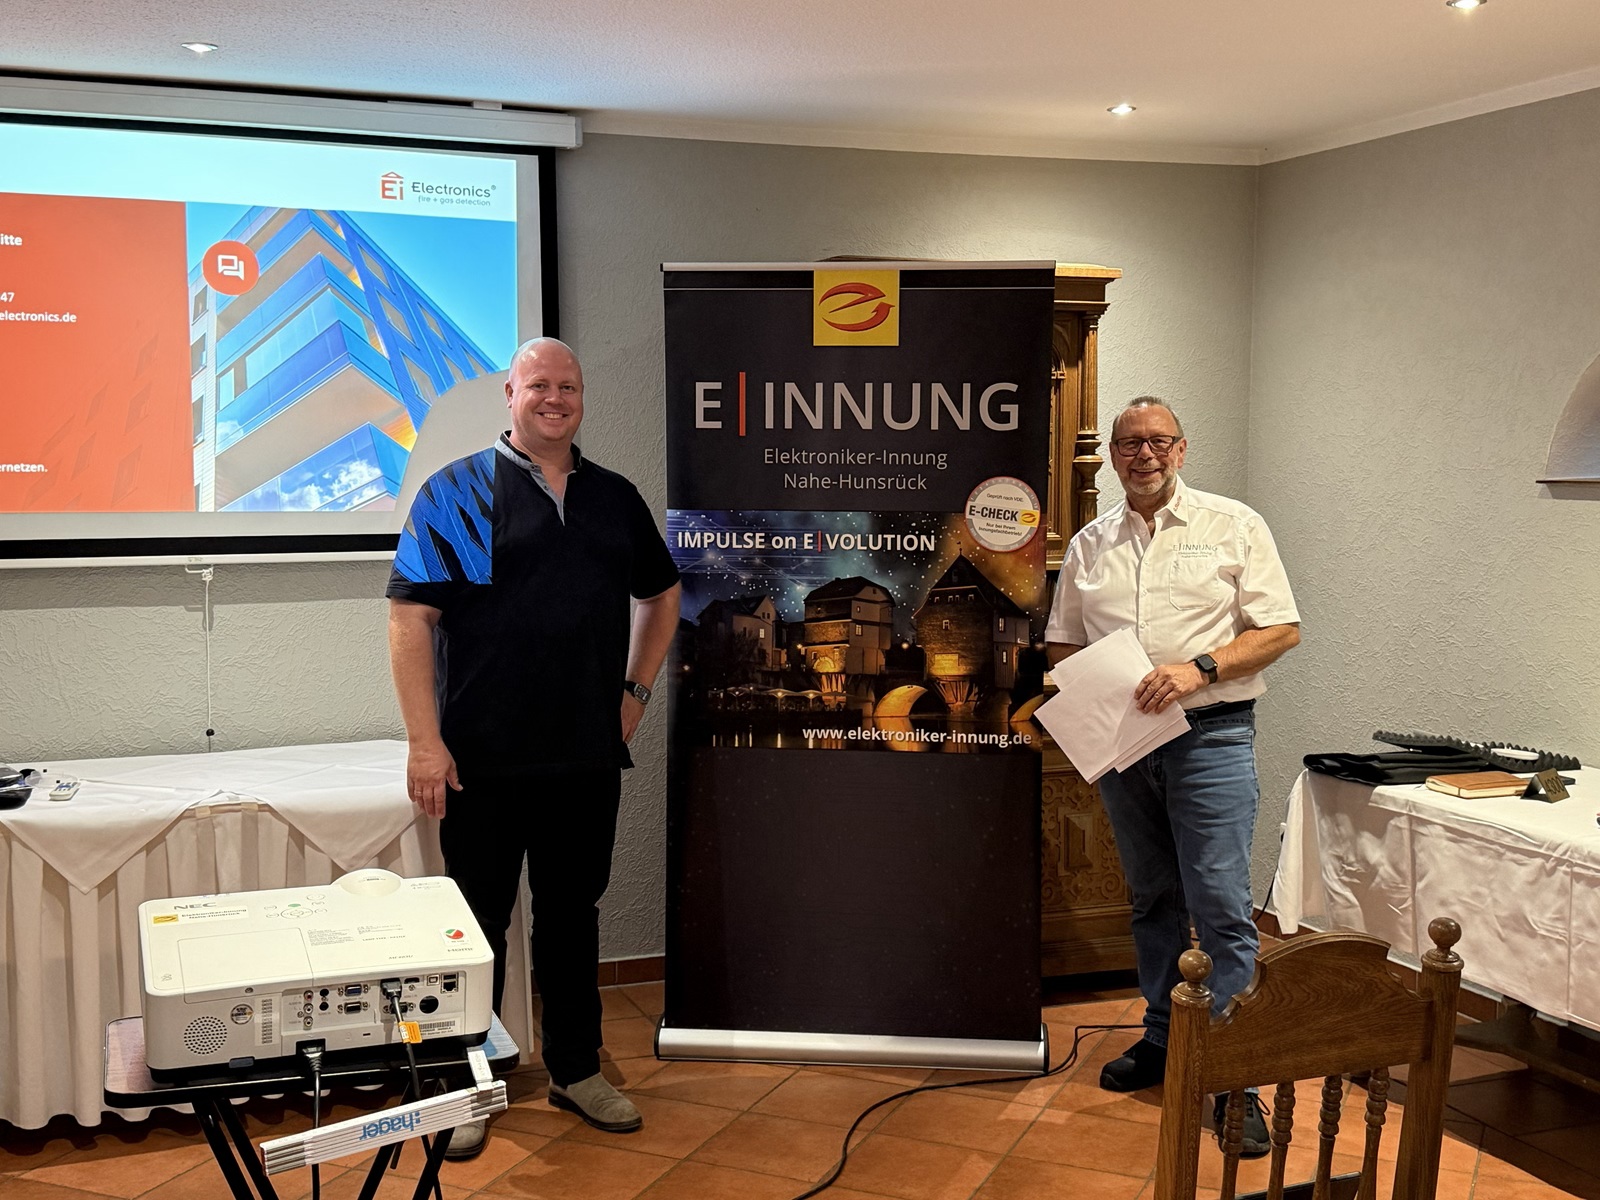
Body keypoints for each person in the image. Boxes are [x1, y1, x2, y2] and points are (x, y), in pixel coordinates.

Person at [386, 337, 681, 1157]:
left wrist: (636, 691)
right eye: (539, 384)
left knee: (572, 918)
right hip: (479, 760)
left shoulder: (614, 497)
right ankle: (464, 1088)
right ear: (510, 394)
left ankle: (576, 1070)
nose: (556, 398)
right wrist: (424, 743)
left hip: (584, 757)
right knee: (475, 926)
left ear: (582, 398)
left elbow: (662, 596)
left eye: (570, 386)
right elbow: (410, 619)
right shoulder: (455, 492)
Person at [1045, 396, 1300, 1157]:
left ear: (1182, 450)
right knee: (1152, 897)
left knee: (1219, 902)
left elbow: (1281, 629)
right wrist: (1095, 687)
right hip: (1125, 740)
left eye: (1158, 441)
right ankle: (1163, 1037)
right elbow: (1062, 644)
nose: (1144, 454)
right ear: (1113, 456)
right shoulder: (1090, 544)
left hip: (1211, 735)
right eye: (1129, 444)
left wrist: (1201, 668)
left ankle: (1232, 1071)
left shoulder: (1233, 525)